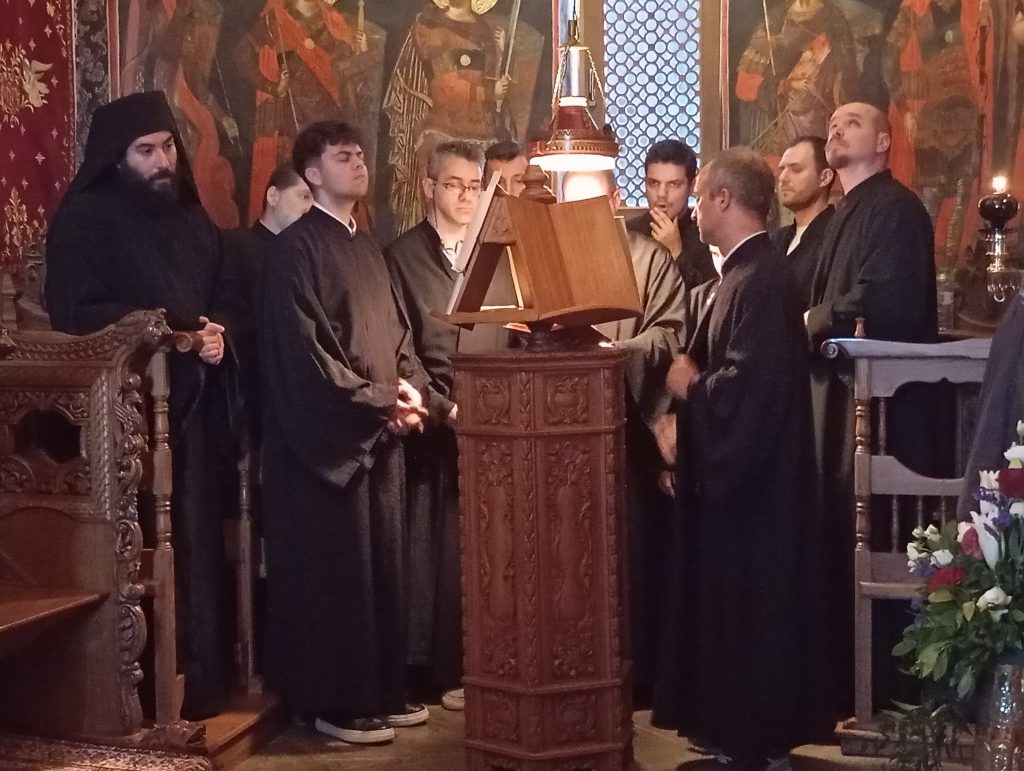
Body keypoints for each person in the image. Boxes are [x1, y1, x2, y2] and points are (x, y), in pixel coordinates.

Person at [44, 90, 234, 719]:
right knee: (145, 547)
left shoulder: (190, 217)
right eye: (145, 150)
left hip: (193, 406)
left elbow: (223, 289)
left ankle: (201, 683)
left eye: (167, 147)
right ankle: (144, 693)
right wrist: (173, 330)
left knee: (197, 543)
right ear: (117, 157)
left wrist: (216, 332)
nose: (162, 162)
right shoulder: (85, 219)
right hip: (124, 418)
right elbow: (76, 312)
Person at [651, 147, 829, 769]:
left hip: (759, 494)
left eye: (700, 196)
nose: (694, 209)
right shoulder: (743, 275)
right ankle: (736, 738)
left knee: (755, 617)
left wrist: (690, 387)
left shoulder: (763, 279)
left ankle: (756, 745)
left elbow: (751, 388)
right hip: (741, 486)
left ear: (724, 199)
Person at [259, 120, 430, 745]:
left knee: (382, 570)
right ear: (312, 173)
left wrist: (411, 392)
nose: (358, 164)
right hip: (326, 451)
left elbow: (399, 335)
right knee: (336, 578)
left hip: (378, 439)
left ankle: (381, 691)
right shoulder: (293, 252)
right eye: (342, 157)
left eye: (360, 155)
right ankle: (334, 703)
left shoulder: (369, 246)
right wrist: (382, 401)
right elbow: (306, 357)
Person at [807, 101, 938, 715]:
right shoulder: (843, 212)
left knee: (883, 539)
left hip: (889, 414)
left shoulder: (896, 210)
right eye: (833, 123)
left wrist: (814, 319)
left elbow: (884, 300)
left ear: (884, 141)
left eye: (853, 122)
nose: (836, 128)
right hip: (844, 401)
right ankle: (844, 687)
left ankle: (889, 696)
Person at [384, 141, 509, 712]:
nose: (464, 195)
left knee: (484, 548)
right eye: (453, 184)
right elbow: (400, 345)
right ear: (428, 186)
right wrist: (442, 408)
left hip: (491, 422)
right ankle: (428, 668)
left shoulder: (497, 253)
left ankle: (478, 662)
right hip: (432, 426)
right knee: (431, 553)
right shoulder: (402, 257)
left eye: (474, 186)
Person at [561, 170, 686, 699]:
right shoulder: (552, 258)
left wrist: (617, 356)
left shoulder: (650, 259)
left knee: (628, 555)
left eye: (592, 201)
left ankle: (634, 675)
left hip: (626, 435)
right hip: (562, 441)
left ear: (615, 199)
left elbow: (670, 332)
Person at [383, 0, 542, 232]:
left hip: (485, 125)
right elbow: (443, 84)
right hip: (445, 126)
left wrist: (500, 53)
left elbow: (493, 74)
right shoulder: (430, 27)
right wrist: (489, 92)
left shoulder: (485, 28)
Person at [221, 163, 312, 446]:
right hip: (254, 390)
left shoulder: (310, 257)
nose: (310, 208)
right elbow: (231, 317)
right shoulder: (236, 247)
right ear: (273, 196)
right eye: (304, 196)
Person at [626, 140, 717, 291]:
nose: (661, 193)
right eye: (654, 183)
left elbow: (710, 298)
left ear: (691, 186)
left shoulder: (709, 236)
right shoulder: (628, 233)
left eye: (674, 184)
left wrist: (677, 254)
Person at [772, 135, 836, 309]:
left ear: (825, 177)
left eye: (796, 170)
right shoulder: (776, 239)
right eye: (782, 169)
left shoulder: (837, 236)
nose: (783, 178)